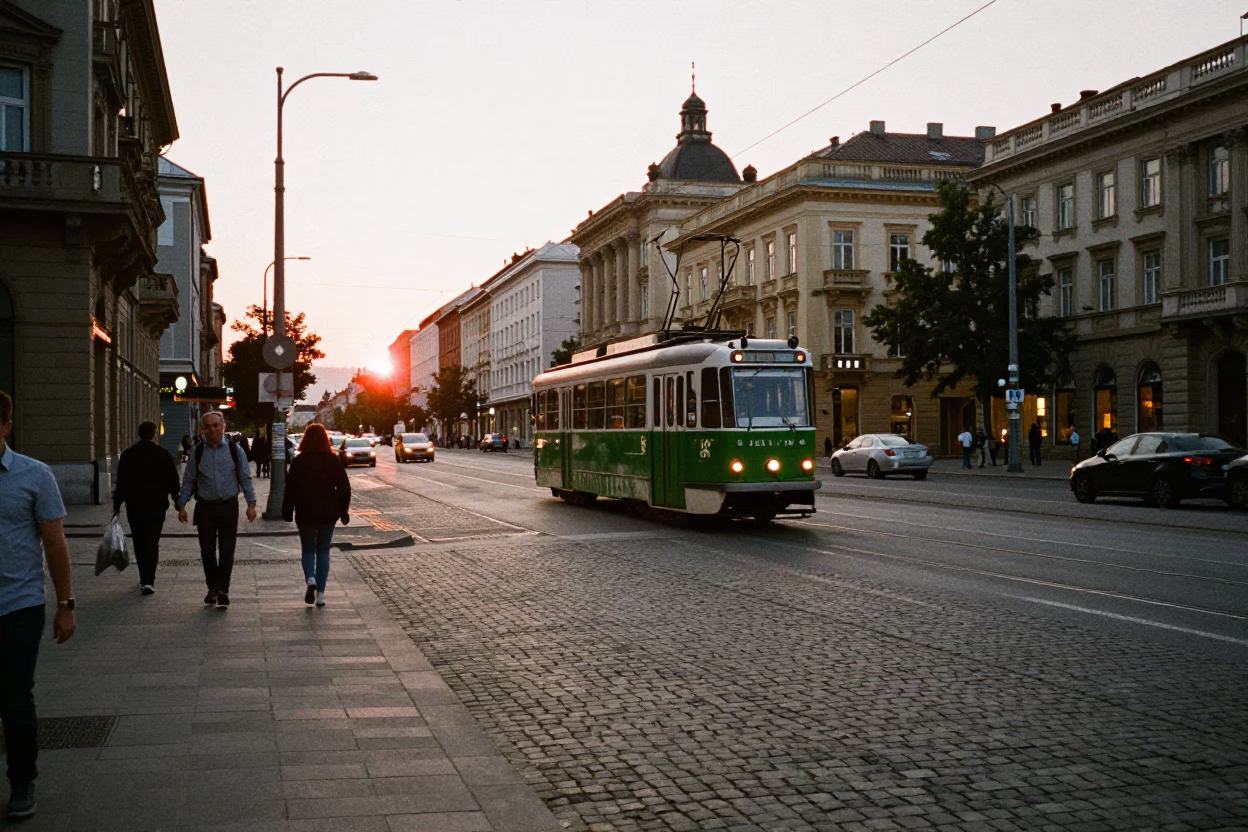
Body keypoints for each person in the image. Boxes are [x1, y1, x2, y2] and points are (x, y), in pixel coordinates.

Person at [0, 391, 76, 819]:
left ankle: (22, 780)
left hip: (19, 604)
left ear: (6, 426)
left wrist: (66, 603)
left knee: (13, 697)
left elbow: (55, 543)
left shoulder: (34, 475)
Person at [176, 412, 257, 609]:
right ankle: (212, 587)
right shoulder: (197, 451)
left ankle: (223, 589)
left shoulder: (234, 450)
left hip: (229, 506)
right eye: (207, 426)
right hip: (205, 507)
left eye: (215, 425)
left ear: (223, 427)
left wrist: (251, 504)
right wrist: (182, 504)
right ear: (203, 429)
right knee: (207, 550)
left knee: (227, 550)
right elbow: (189, 479)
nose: (211, 429)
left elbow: (244, 477)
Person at [282, 424, 351, 607]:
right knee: (323, 551)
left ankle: (310, 579)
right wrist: (343, 511)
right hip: (328, 511)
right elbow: (344, 487)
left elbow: (290, 489)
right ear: (325, 439)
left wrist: (287, 511)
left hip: (305, 511)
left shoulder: (299, 461)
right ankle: (320, 594)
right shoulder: (332, 459)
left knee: (307, 549)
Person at [113, 421, 179, 594]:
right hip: (156, 505)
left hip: (134, 505)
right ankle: (149, 579)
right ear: (154, 434)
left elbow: (121, 480)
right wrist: (178, 501)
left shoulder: (128, 455)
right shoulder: (163, 454)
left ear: (139, 434)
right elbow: (172, 479)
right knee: (152, 540)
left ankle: (143, 578)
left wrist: (117, 503)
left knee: (139, 540)